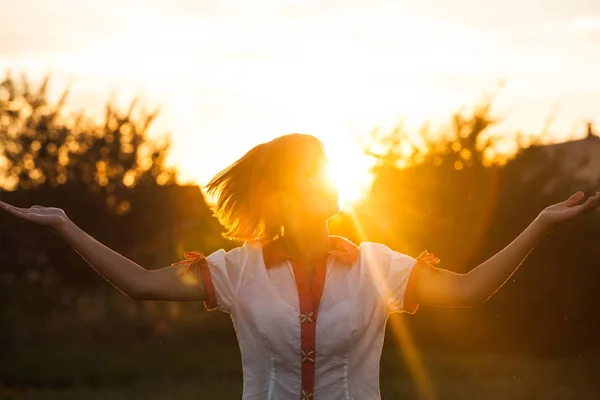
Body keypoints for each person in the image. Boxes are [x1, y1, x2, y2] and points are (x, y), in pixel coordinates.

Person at [1, 133, 598, 400]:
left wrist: (540, 223)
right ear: (287, 193)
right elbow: (138, 283)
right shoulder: (237, 269)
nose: (330, 178)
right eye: (316, 170)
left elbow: (468, 293)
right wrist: (63, 225)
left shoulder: (375, 265)